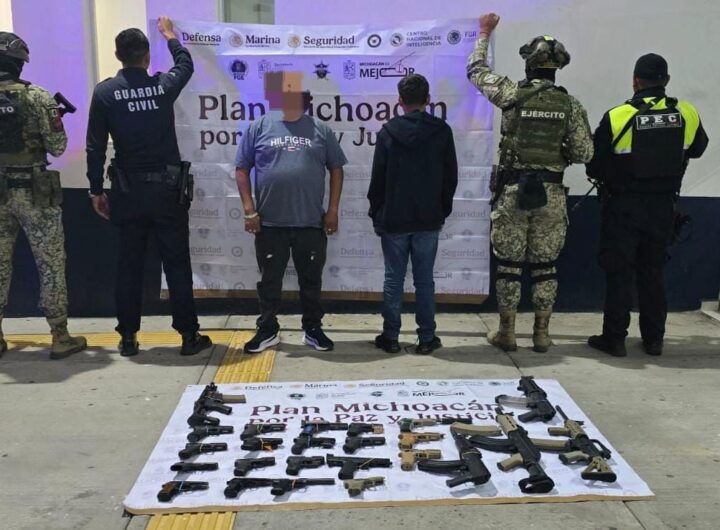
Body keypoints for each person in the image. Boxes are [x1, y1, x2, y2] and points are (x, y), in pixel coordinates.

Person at [86, 17, 212, 357]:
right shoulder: (162, 86)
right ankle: (189, 335)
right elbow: (185, 65)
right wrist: (170, 36)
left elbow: (95, 146)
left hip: (127, 193)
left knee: (129, 266)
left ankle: (128, 337)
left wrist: (96, 189)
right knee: (177, 264)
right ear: (146, 57)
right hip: (167, 192)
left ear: (118, 56)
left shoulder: (105, 93)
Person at [467, 13, 593, 352]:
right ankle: (541, 334)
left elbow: (475, 71)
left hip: (512, 193)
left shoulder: (511, 93)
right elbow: (584, 153)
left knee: (509, 266)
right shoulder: (570, 104)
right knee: (545, 267)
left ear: (529, 64)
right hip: (550, 195)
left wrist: (483, 33)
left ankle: (506, 333)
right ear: (557, 68)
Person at [585, 53, 708, 357]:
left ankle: (614, 339)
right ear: (666, 80)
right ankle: (654, 340)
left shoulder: (617, 116)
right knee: (652, 273)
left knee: (619, 272)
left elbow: (594, 165)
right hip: (663, 206)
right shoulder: (686, 112)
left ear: (635, 81)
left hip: (623, 207)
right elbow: (698, 148)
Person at [235, 71, 346, 354]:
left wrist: (333, 210)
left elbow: (336, 169)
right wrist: (249, 210)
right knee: (269, 282)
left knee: (311, 281)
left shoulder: (321, 129)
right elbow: (242, 169)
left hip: (311, 223)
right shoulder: (259, 126)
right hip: (270, 224)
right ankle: (268, 329)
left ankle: (313, 329)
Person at [0, 32, 86, 360]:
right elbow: (58, 147)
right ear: (20, 63)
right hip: (34, 192)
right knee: (50, 263)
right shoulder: (38, 97)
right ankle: (60, 336)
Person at [368, 73, 458, 354]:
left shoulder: (388, 132)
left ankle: (390, 337)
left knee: (393, 279)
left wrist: (377, 213)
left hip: (394, 217)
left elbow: (377, 179)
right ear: (428, 99)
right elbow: (450, 177)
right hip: (429, 218)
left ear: (400, 101)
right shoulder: (442, 131)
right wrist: (441, 210)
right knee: (424, 280)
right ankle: (427, 338)